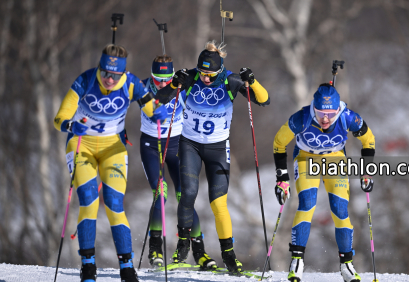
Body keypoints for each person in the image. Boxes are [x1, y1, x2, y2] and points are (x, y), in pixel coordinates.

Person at [154, 41, 270, 272]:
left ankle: (228, 255)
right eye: (203, 73)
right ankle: (182, 249)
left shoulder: (231, 80)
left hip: (217, 148)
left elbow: (264, 100)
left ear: (220, 70)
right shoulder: (190, 78)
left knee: (219, 204)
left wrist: (253, 80)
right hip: (190, 145)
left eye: (211, 74)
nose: (206, 78)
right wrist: (175, 82)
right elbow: (162, 97)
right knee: (187, 194)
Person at [53, 44, 164, 282]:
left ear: (123, 73)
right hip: (81, 145)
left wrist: (158, 112)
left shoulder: (132, 83)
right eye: (105, 73)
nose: (109, 79)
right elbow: (60, 117)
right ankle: (88, 266)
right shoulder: (85, 80)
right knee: (89, 201)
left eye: (115, 75)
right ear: (99, 68)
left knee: (114, 204)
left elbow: (151, 106)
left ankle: (126, 267)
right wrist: (71, 125)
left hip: (113, 148)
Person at [272, 83, 376, 282]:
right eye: (320, 114)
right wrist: (282, 178)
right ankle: (297, 261)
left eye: (330, 114)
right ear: (314, 108)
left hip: (334, 159)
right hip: (305, 159)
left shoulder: (347, 117)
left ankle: (347, 264)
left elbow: (369, 140)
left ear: (338, 109)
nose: (325, 119)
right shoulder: (302, 117)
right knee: (307, 204)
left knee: (340, 210)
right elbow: (279, 142)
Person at [139, 55, 216, 269]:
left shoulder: (182, 87)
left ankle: (199, 252)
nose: (162, 83)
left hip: (177, 145)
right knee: (160, 194)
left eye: (166, 78)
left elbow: (208, 84)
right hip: (151, 146)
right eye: (157, 78)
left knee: (185, 196)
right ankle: (155, 248)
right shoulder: (142, 86)